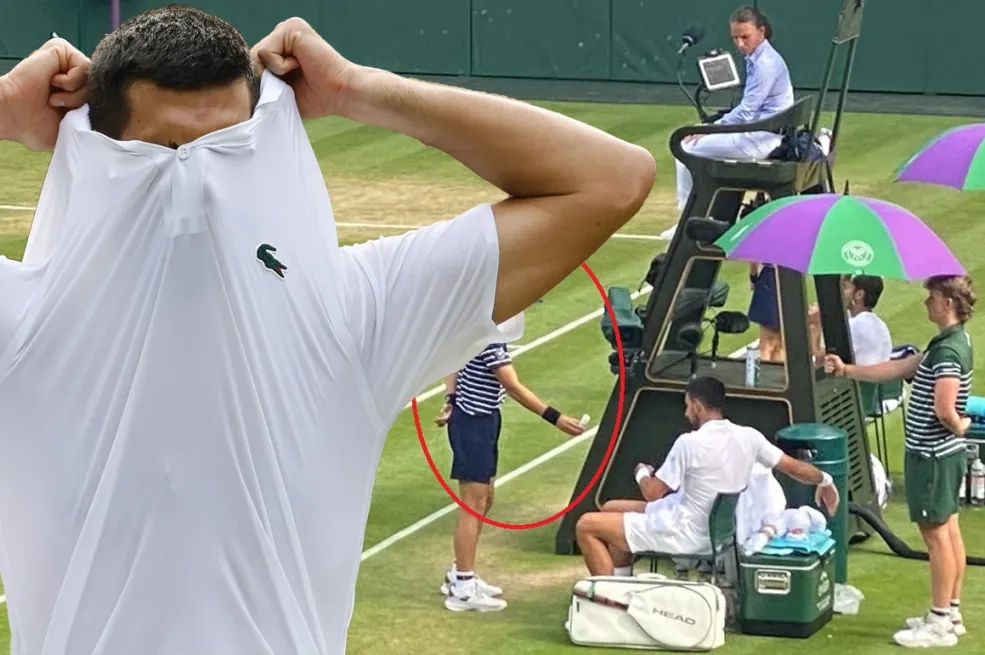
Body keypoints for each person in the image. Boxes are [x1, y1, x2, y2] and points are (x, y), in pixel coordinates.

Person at [0, 8, 656, 655]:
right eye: (168, 154)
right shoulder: (24, 319)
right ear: (101, 149)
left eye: (229, 151)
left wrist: (355, 90)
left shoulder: (352, 310)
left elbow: (611, 178)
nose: (199, 184)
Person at [825, 275, 975, 649]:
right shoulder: (947, 343)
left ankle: (939, 622)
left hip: (932, 455)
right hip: (941, 456)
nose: (926, 303)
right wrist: (848, 370)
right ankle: (950, 613)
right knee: (949, 532)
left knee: (937, 537)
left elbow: (945, 408)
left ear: (948, 304)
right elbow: (898, 369)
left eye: (932, 297)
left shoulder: (948, 352)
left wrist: (961, 424)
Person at [574, 376, 839, 577]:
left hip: (684, 531)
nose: (686, 411)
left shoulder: (689, 443)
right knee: (611, 509)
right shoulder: (750, 436)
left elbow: (652, 492)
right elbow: (795, 468)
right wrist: (826, 480)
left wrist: (642, 473)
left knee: (586, 525)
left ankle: (609, 598)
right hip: (716, 530)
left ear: (698, 407)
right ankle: (623, 582)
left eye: (688, 405)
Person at [434, 331, 585, 612]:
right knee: (473, 504)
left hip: (483, 418)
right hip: (473, 423)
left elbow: (453, 358)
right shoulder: (488, 338)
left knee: (485, 499)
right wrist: (556, 418)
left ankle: (459, 573)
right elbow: (512, 386)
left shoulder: (474, 328)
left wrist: (451, 399)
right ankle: (463, 589)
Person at [668, 5, 794, 234]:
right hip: (761, 132)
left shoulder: (765, 63)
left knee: (684, 147)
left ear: (761, 32)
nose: (739, 44)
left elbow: (746, 112)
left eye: (745, 37)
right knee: (692, 143)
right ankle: (697, 216)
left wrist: (709, 130)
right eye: (735, 37)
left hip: (762, 140)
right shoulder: (757, 56)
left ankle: (686, 220)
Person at [810, 274, 894, 366]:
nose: (840, 293)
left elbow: (817, 361)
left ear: (859, 295)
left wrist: (814, 324)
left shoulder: (854, 327)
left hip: (860, 379)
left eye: (845, 288)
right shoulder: (881, 325)